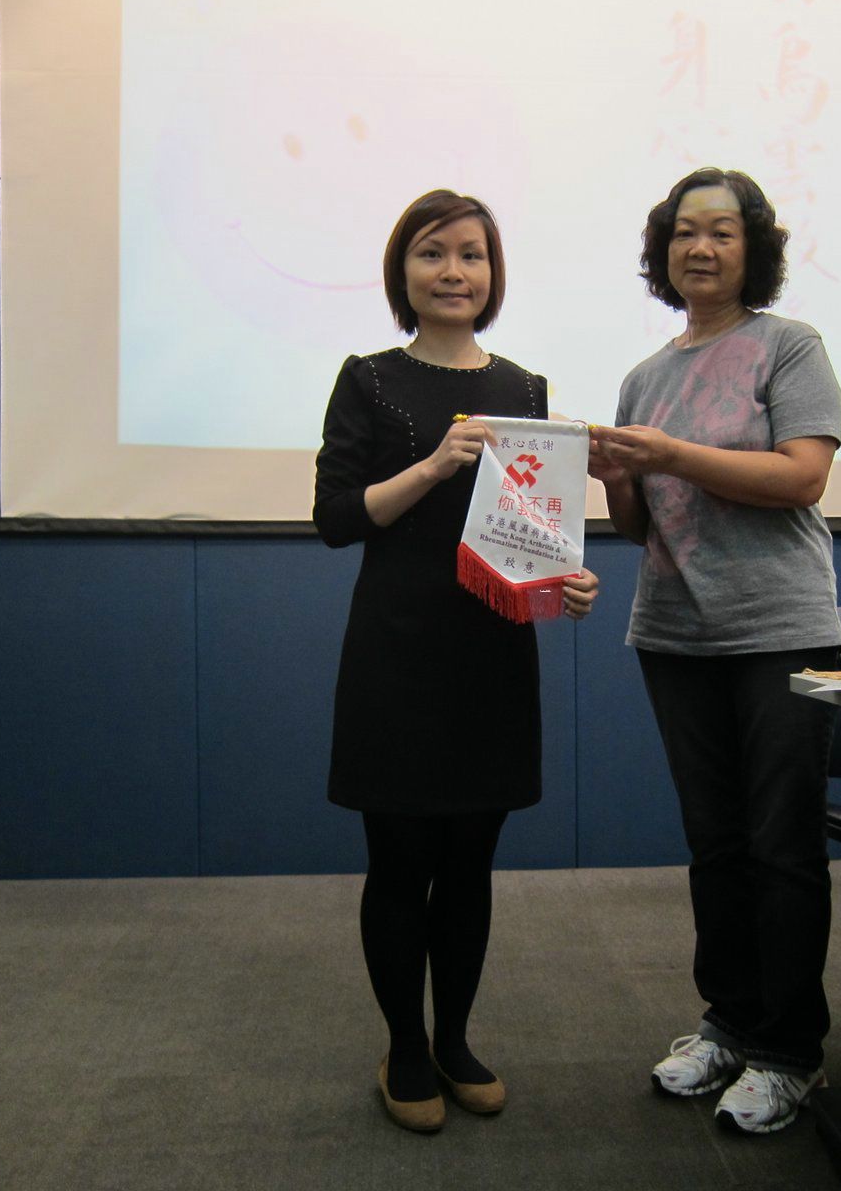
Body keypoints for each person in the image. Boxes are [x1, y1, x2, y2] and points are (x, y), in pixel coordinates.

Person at [313, 190, 599, 1133]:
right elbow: (336, 519)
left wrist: (565, 582)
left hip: (492, 657)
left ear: (492, 273)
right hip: (397, 654)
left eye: (471, 255)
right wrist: (436, 464)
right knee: (400, 862)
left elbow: (534, 535)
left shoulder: (525, 391)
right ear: (402, 270)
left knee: (472, 863)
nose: (453, 272)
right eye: (432, 253)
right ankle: (404, 1046)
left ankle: (456, 1040)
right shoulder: (370, 380)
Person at [589, 168, 841, 1136]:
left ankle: (790, 1051)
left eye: (723, 233)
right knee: (716, 844)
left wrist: (667, 455)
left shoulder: (788, 346)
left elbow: (801, 478)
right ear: (663, 251)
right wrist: (617, 477)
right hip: (673, 631)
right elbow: (637, 525)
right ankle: (730, 1023)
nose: (700, 248)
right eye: (684, 233)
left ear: (754, 250)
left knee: (783, 847)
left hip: (778, 627)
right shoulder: (644, 378)